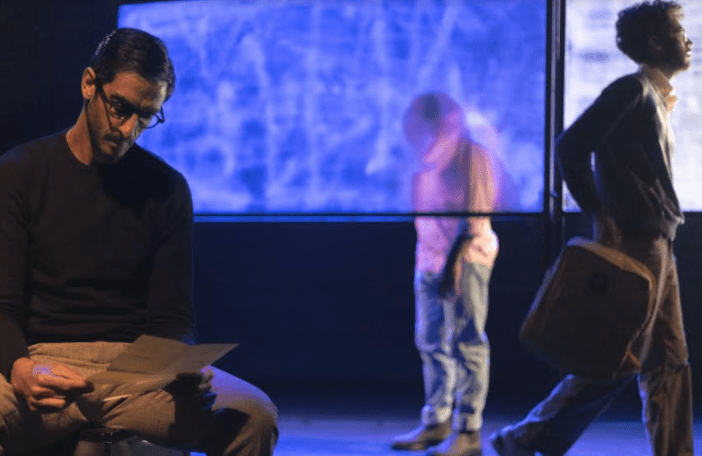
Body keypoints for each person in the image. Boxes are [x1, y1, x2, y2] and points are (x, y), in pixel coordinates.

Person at [0, 28, 277, 456]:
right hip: (44, 363)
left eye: (146, 116)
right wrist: (19, 367)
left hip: (135, 374)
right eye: (120, 108)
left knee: (253, 416)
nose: (128, 129)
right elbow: (3, 305)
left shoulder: (166, 188)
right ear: (89, 84)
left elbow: (172, 316)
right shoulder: (20, 172)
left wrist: (179, 368)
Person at [490, 1, 694, 455]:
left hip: (659, 240)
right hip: (639, 241)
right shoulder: (632, 90)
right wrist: (600, 213)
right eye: (680, 33)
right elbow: (571, 146)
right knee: (618, 355)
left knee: (669, 359)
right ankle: (525, 437)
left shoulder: (652, 95)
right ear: (656, 42)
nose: (688, 42)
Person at [391, 92, 510, 456]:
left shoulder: (471, 154)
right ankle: (436, 421)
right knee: (430, 341)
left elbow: (475, 213)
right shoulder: (425, 158)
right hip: (429, 259)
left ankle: (468, 429)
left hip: (465, 259)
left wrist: (453, 264)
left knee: (467, 342)